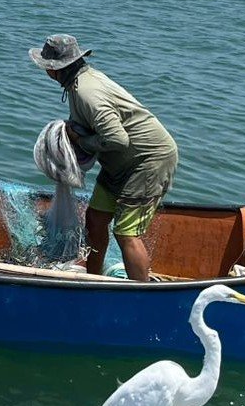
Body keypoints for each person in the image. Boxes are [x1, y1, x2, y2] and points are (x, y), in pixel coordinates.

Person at [29, 34, 178, 281]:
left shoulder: (87, 93)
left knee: (126, 232)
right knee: (95, 219)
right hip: (119, 163)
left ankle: (141, 295)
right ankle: (93, 281)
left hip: (148, 161)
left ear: (54, 70)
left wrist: (79, 141)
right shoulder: (80, 83)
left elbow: (118, 139)